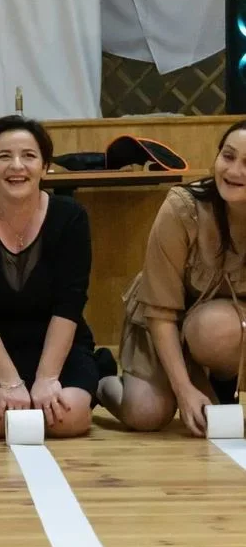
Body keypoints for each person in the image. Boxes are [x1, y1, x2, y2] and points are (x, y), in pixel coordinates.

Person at [0, 115, 100, 439]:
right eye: (4, 156)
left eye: (29, 156)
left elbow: (70, 303)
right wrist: (10, 382)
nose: (17, 166)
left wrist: (47, 378)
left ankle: (100, 374)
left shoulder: (71, 217)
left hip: (54, 345)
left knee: (68, 419)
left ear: (45, 167)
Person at [98, 120, 246, 437]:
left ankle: (219, 383)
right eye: (228, 156)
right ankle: (100, 377)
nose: (235, 171)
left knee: (212, 327)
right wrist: (183, 389)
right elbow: (160, 311)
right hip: (163, 322)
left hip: (222, 330)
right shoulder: (183, 207)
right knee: (145, 414)